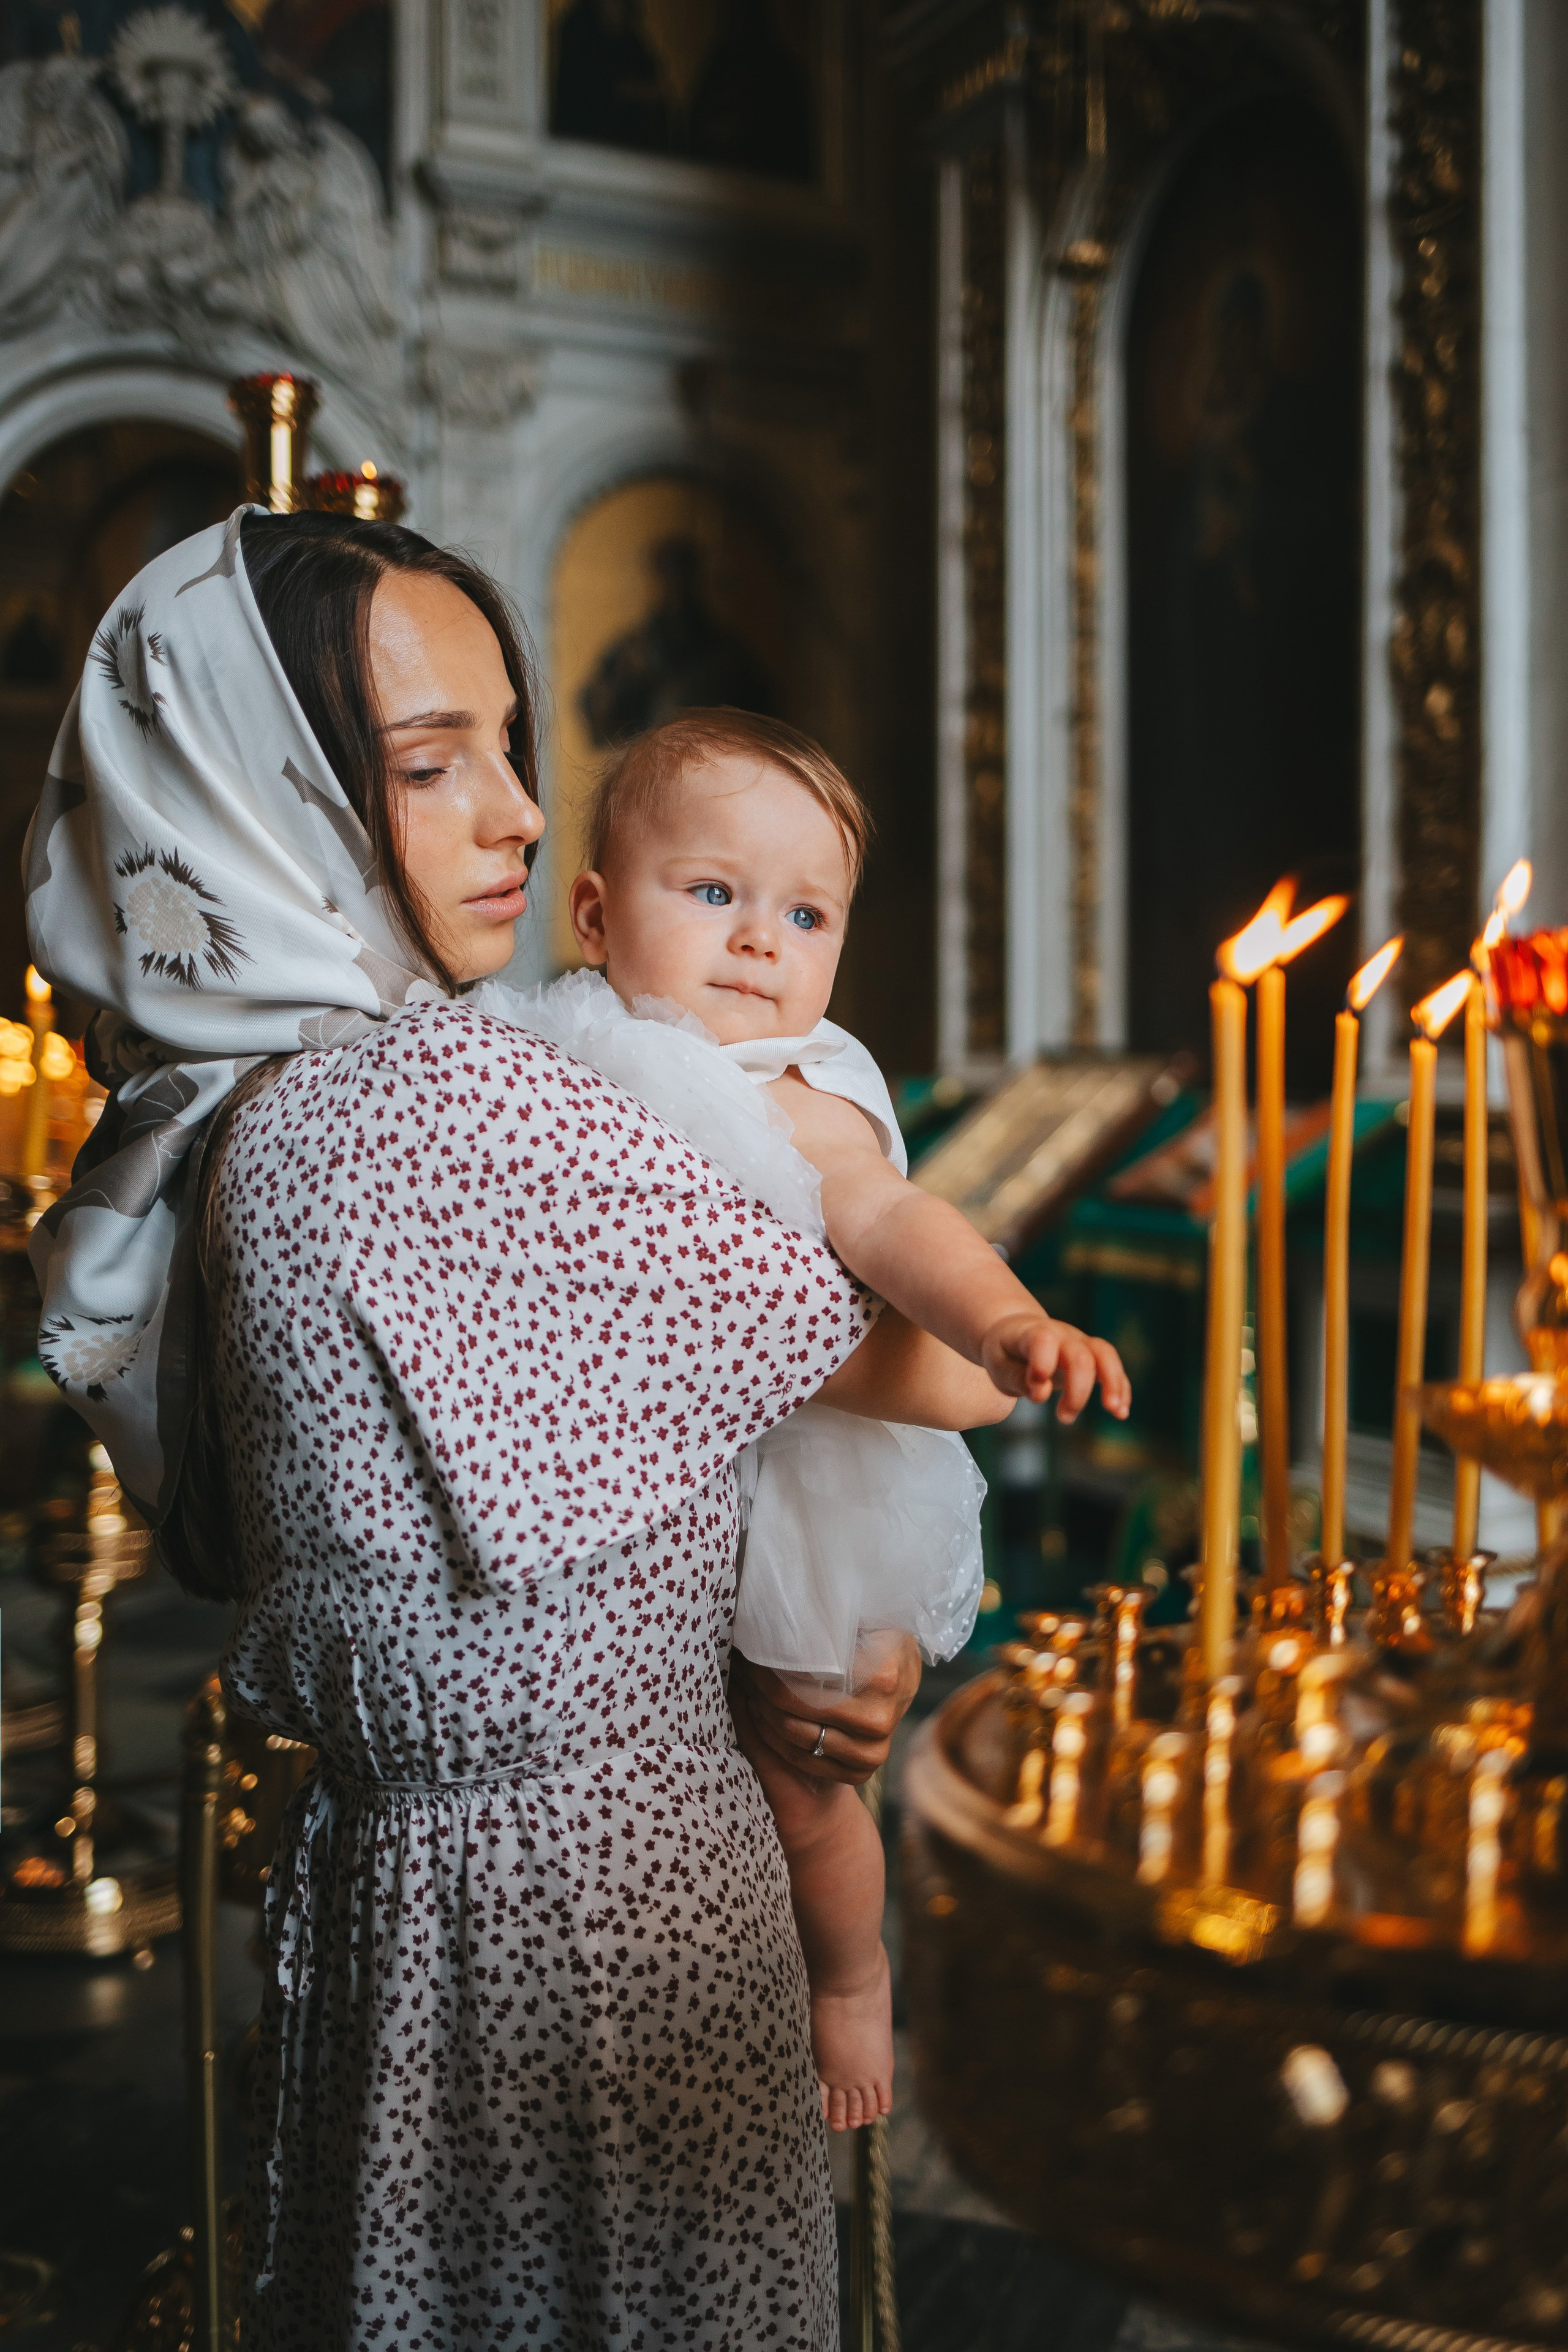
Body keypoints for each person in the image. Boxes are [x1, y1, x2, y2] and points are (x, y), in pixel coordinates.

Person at [24, 506, 1008, 2351]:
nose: (525, 814)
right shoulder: (435, 1098)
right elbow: (941, 1373)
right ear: (256, 789)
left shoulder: (243, 1106)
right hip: (589, 1917)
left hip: (422, 1900)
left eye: (507, 744)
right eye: (428, 764)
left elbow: (572, 1505)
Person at [475, 710, 1130, 2133]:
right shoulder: (545, 1053)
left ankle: (848, 1976)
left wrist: (1001, 1323)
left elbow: (895, 1220)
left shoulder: (799, 1089)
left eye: (804, 913)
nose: (755, 941)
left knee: (799, 1777)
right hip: (615, 1504)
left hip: (793, 1480)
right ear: (593, 913)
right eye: (712, 891)